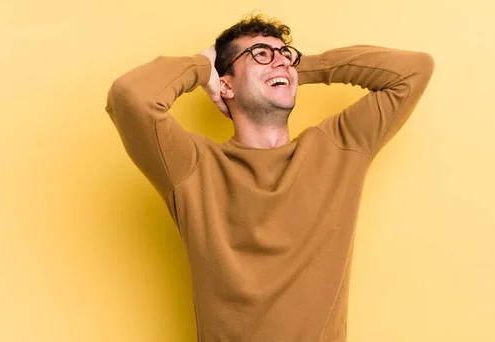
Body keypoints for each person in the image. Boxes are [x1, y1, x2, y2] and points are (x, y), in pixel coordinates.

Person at [105, 13, 434, 342]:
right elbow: (130, 97)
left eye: (285, 54)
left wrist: (295, 70)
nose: (280, 61)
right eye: (260, 53)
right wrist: (202, 67)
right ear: (227, 85)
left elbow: (414, 70)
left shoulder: (340, 146)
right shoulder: (191, 166)